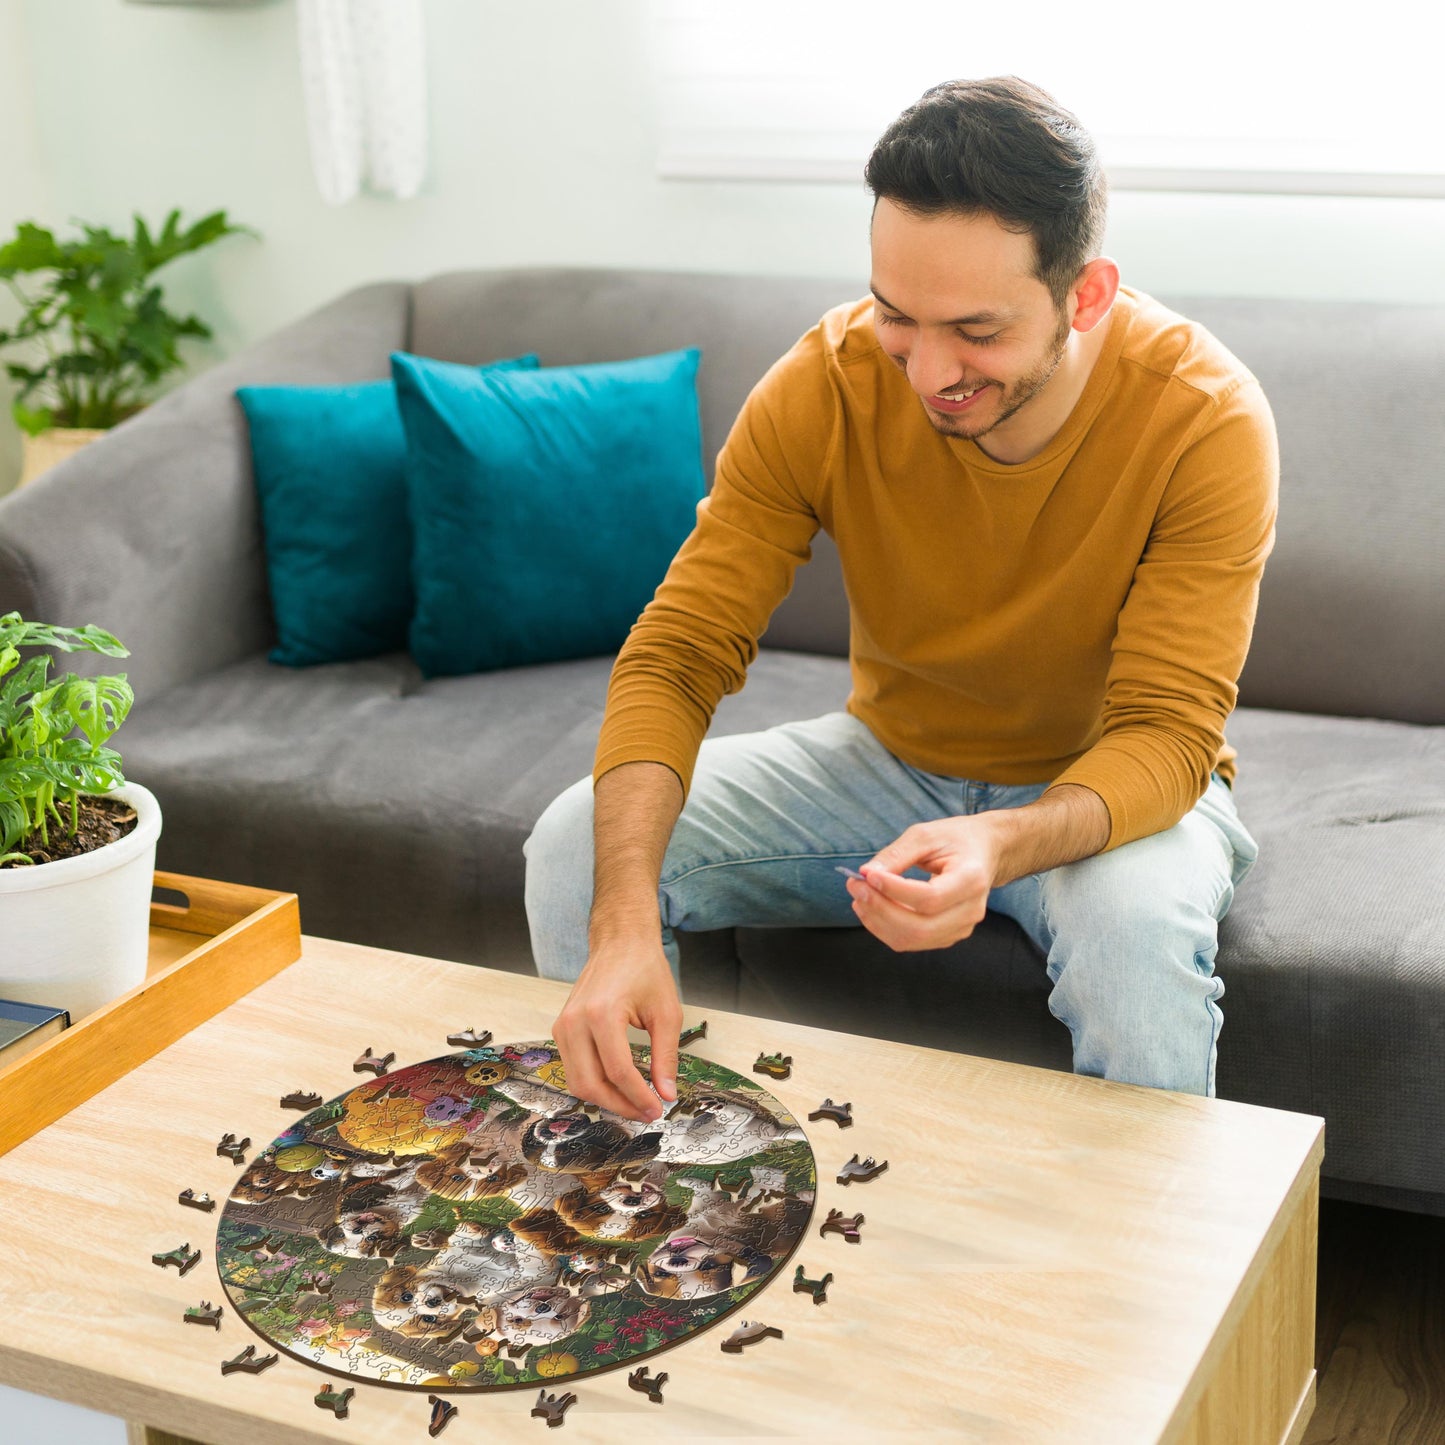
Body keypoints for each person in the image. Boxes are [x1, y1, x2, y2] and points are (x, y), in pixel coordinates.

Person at [523, 75, 1277, 1124]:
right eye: (895, 316)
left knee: (1131, 942)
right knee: (574, 844)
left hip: (1107, 788)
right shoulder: (823, 382)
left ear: (1085, 294)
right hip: (888, 762)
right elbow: (680, 649)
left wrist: (999, 841)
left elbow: (1164, 735)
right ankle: (636, 1209)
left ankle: (1145, 1279)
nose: (927, 371)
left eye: (974, 329)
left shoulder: (1203, 418)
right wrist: (618, 929)